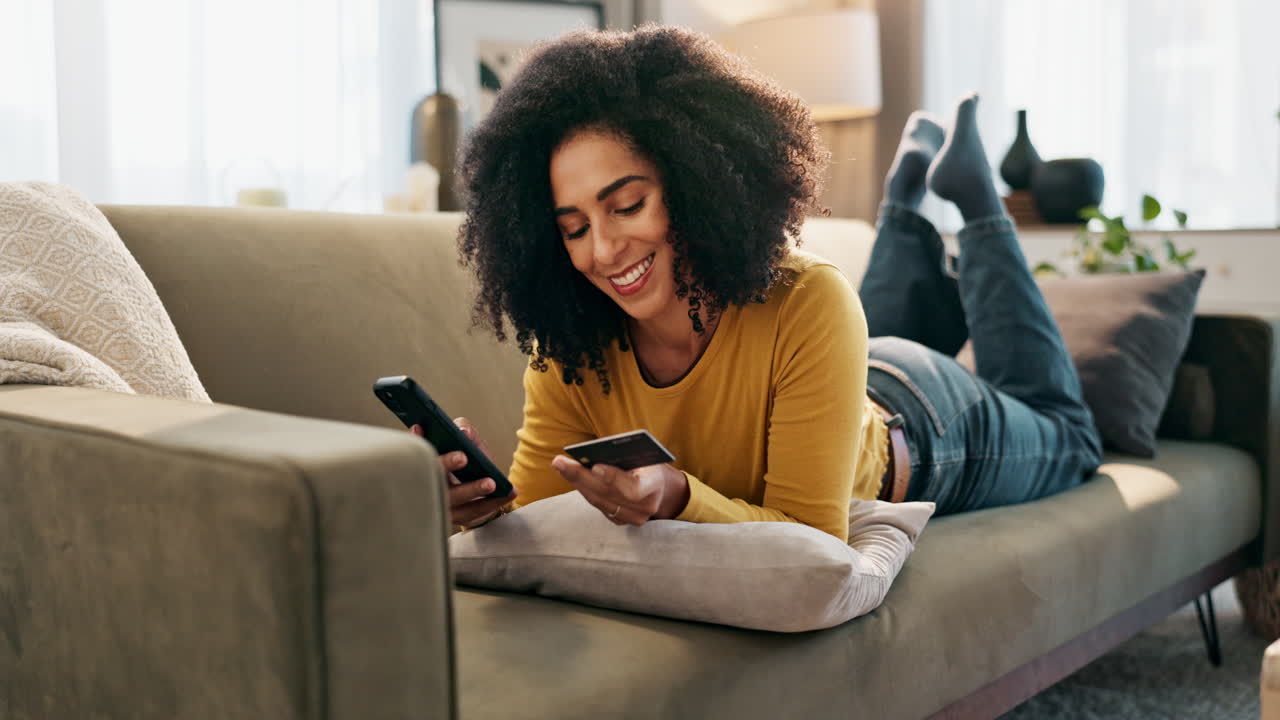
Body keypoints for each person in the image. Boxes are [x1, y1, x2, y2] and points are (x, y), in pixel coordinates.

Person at [413, 25, 1103, 541]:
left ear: (693, 184)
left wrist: (682, 497)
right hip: (844, 375)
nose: (603, 249)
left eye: (627, 206)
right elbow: (541, 519)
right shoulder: (570, 348)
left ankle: (976, 198)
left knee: (1070, 434)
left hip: (923, 426)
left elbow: (811, 541)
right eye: (572, 228)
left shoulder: (808, 299)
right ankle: (903, 202)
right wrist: (473, 508)